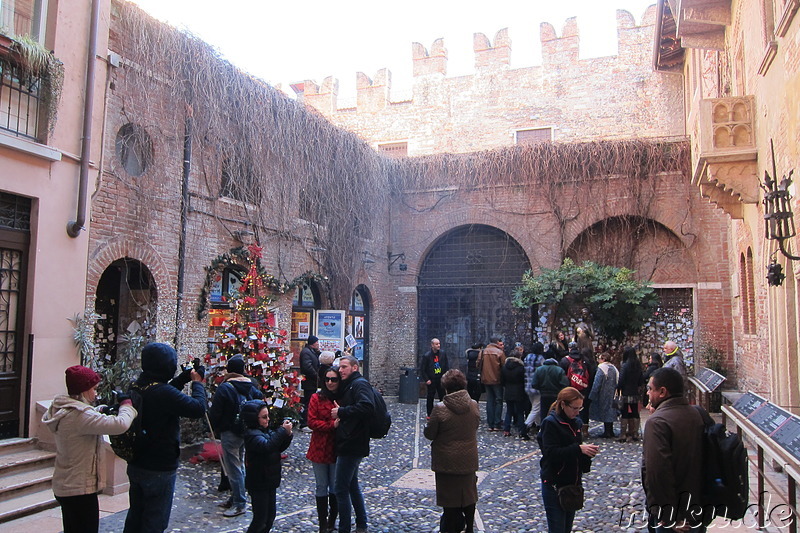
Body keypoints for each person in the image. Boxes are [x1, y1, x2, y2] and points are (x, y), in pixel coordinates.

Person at [123, 343, 207, 533]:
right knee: (155, 520)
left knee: (136, 515)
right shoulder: (162, 393)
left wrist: (183, 378)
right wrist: (197, 384)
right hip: (159, 465)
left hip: (137, 460)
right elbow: (198, 408)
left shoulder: (138, 385)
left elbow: (164, 394)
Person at [42, 366, 136, 533]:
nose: (96, 394)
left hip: (66, 484)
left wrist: (100, 410)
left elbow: (86, 416)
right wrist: (127, 405)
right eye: (93, 389)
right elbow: (120, 424)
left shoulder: (63, 408)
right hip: (80, 490)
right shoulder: (81, 416)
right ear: (84, 390)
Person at [642, 367, 706, 532]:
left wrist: (668, 516)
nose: (647, 393)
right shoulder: (697, 414)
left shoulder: (657, 423)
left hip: (674, 513)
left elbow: (658, 472)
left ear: (662, 391)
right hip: (697, 507)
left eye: (650, 389)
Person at [424, 369, 480, 533]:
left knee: (449, 501)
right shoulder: (474, 405)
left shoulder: (440, 409)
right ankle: (469, 527)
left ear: (446, 388)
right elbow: (474, 425)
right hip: (468, 458)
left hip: (446, 460)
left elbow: (430, 434)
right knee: (469, 495)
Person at [208, 354, 264, 517]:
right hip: (245, 430)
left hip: (230, 431)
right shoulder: (251, 385)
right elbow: (260, 402)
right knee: (240, 464)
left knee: (233, 468)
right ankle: (235, 498)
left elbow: (216, 411)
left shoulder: (225, 387)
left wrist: (214, 427)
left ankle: (240, 503)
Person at [538, 387, 599, 533]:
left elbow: (577, 452)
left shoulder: (576, 423)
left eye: (580, 408)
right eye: (574, 408)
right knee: (558, 528)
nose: (578, 412)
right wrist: (579, 449)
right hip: (554, 484)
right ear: (563, 405)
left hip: (572, 483)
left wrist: (587, 454)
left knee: (566, 528)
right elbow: (550, 453)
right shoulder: (550, 423)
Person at [331, 355, 376, 533]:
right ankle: (361, 524)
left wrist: (342, 411)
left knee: (341, 488)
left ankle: (345, 528)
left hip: (352, 442)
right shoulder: (352, 384)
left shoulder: (359, 384)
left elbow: (367, 407)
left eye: (344, 367)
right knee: (352, 484)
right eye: (340, 367)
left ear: (355, 368)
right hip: (351, 439)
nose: (340, 370)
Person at [241, 400, 294, 533]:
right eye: (264, 417)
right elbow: (267, 446)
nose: (268, 420)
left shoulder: (264, 431)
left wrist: (287, 435)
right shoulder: (252, 435)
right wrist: (282, 431)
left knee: (269, 517)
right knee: (260, 520)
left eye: (268, 416)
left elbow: (277, 448)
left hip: (269, 480)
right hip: (259, 482)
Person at [307, 366, 341, 533]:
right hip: (319, 447)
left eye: (333, 379)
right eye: (327, 379)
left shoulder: (342, 398)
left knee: (335, 486)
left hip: (336, 447)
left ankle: (332, 520)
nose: (330, 382)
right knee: (321, 485)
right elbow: (311, 421)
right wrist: (331, 425)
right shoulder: (316, 397)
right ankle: (322, 523)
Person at [559, 343, 596, 439]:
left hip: (571, 390)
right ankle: (584, 430)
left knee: (572, 409)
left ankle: (573, 429)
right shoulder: (586, 362)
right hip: (584, 390)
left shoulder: (565, 361)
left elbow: (563, 377)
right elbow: (591, 376)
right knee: (584, 410)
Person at [477, 336, 506, 431]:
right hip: (497, 379)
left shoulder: (483, 351)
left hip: (485, 379)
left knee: (489, 400)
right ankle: (497, 423)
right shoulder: (499, 352)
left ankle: (490, 423)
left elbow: (478, 364)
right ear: (497, 342)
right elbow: (504, 366)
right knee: (498, 400)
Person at [617, 346, 644, 442]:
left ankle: (623, 434)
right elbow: (641, 379)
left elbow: (621, 379)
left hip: (626, 391)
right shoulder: (638, 365)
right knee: (634, 411)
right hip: (635, 391)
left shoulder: (625, 365)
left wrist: (618, 388)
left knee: (624, 412)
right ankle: (635, 433)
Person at [588, 352, 618, 438]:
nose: (598, 361)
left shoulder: (601, 368)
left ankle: (607, 432)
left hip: (603, 393)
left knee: (605, 411)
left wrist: (592, 395)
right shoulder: (614, 368)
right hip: (613, 393)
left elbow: (597, 383)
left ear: (603, 359)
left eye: (599, 359)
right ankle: (610, 430)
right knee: (610, 411)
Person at [532, 350, 569, 421]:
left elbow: (534, 384)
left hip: (544, 395)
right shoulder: (559, 370)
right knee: (555, 414)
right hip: (556, 395)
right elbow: (565, 384)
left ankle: (544, 429)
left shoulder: (539, 369)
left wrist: (541, 388)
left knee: (544, 414)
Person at [420, 338, 449, 417]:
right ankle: (430, 414)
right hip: (432, 379)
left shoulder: (443, 354)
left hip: (440, 378)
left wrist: (446, 377)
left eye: (439, 343)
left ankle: (443, 413)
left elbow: (446, 366)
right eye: (436, 344)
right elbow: (422, 369)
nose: (438, 345)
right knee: (430, 397)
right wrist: (427, 379)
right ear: (432, 345)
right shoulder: (427, 356)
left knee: (442, 396)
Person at [523, 341, 546, 435]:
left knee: (535, 406)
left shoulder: (527, 357)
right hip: (537, 387)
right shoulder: (540, 359)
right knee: (536, 408)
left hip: (527, 385)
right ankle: (526, 426)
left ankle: (538, 424)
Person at [501, 353, 526, 438]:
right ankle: (521, 430)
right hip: (519, 391)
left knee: (509, 411)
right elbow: (523, 380)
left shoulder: (504, 368)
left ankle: (506, 429)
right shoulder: (521, 368)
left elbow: (502, 381)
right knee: (520, 412)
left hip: (508, 391)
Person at [300, 335, 321, 426]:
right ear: (313, 343)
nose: (318, 344)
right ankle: (304, 423)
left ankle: (307, 421)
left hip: (311, 381)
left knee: (309, 401)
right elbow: (307, 367)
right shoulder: (306, 352)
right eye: (317, 342)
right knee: (308, 402)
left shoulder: (311, 351)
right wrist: (316, 376)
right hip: (309, 381)